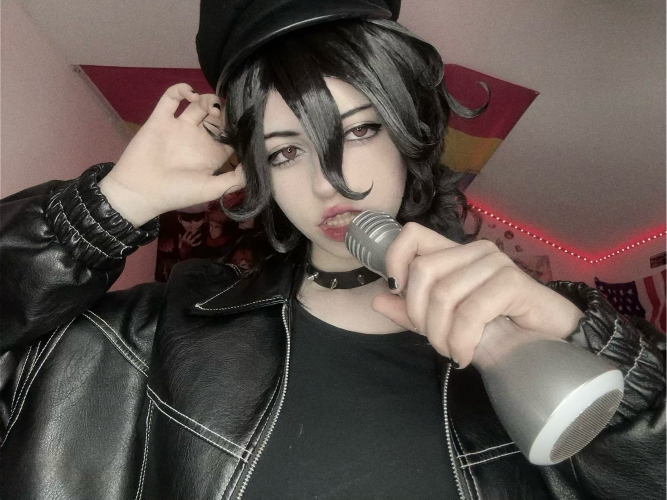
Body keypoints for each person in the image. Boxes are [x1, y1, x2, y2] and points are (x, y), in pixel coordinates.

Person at [0, 1, 664, 499]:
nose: (329, 181)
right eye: (284, 151)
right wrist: (113, 202)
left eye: (360, 130)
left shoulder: (533, 341)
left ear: (406, 132)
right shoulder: (146, 338)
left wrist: (593, 351)